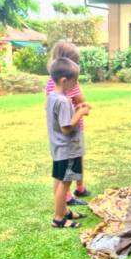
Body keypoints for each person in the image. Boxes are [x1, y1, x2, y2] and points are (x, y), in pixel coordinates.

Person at [46, 58, 91, 229]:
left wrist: (78, 109)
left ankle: (64, 211)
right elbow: (66, 127)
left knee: (59, 180)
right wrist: (82, 113)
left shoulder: (53, 97)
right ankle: (59, 218)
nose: (77, 84)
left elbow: (61, 120)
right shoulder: (63, 101)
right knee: (65, 184)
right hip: (67, 149)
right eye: (75, 81)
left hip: (58, 148)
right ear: (64, 81)